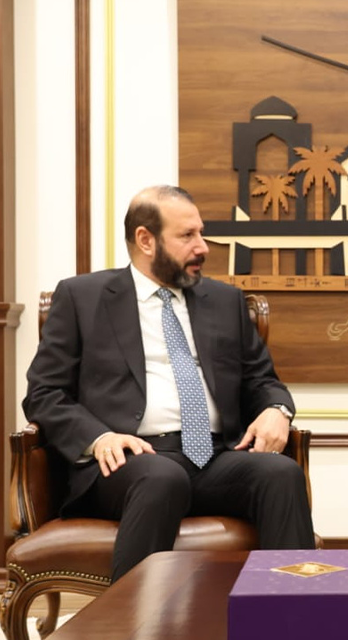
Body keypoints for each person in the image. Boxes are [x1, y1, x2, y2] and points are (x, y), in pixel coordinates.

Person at [22, 185, 315, 581]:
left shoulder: (224, 301)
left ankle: (293, 609)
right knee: (161, 477)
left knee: (280, 474)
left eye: (201, 233)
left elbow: (262, 379)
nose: (203, 247)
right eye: (187, 236)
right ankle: (131, 614)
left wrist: (276, 410)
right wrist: (99, 438)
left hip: (214, 456)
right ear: (146, 240)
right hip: (127, 462)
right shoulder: (82, 297)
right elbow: (44, 393)